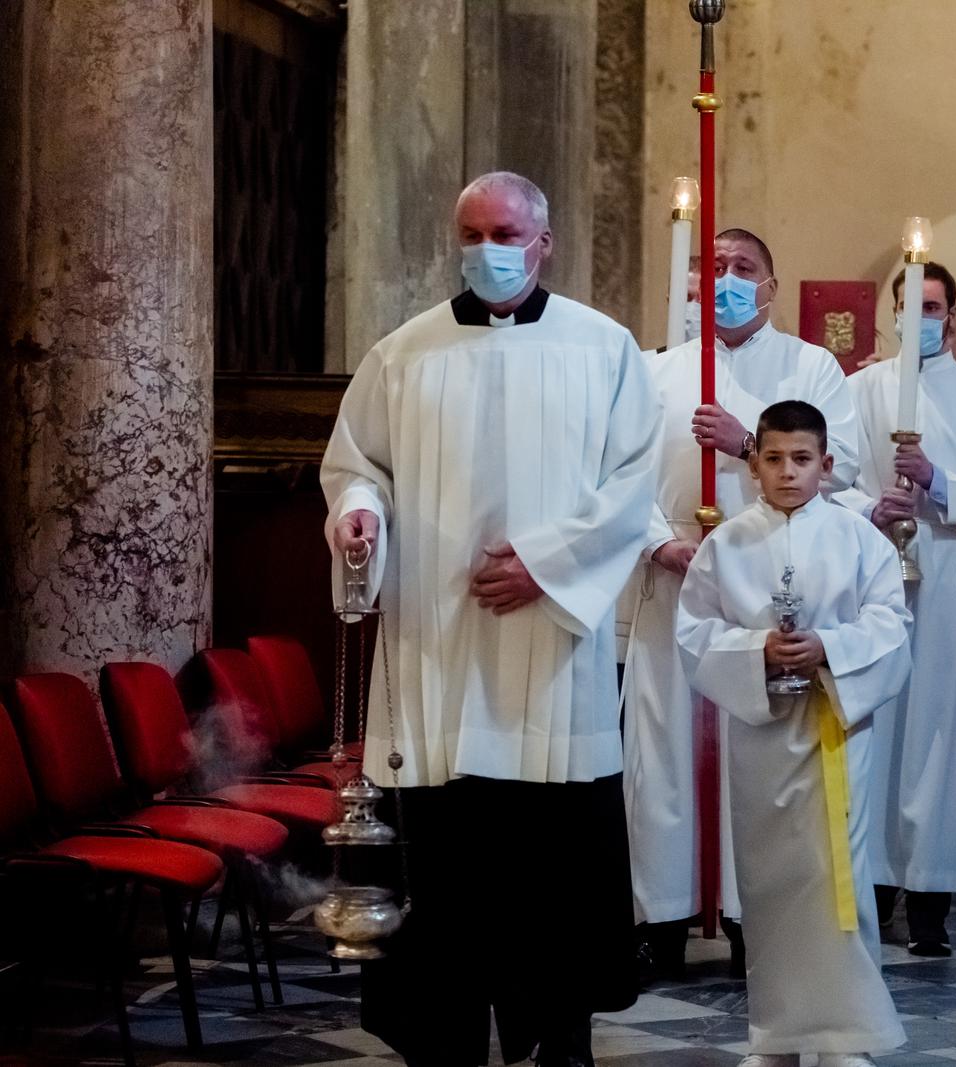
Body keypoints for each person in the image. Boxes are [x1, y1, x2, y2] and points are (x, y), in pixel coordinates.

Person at [322, 172, 661, 1067]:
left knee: (554, 869)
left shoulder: (604, 348)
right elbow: (357, 466)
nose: (487, 250)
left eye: (505, 233)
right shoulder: (404, 353)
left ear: (544, 242)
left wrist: (545, 566)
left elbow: (635, 485)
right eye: (471, 234)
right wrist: (359, 513)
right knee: (444, 871)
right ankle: (444, 1044)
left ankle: (562, 1037)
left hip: (550, 657)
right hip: (436, 654)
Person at [622, 227, 859, 977]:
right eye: (714, 266)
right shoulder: (656, 370)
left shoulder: (810, 366)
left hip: (765, 586)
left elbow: (844, 468)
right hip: (674, 579)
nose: (726, 278)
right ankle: (661, 915)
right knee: (663, 751)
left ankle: (755, 915)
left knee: (756, 751)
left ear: (771, 286)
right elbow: (618, 473)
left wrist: (747, 439)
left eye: (743, 267)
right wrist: (658, 543)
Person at [677, 400, 911, 1067]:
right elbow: (695, 632)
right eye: (774, 458)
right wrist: (758, 650)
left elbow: (891, 624)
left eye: (802, 459)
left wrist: (828, 647)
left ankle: (843, 1036)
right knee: (770, 881)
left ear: (826, 464)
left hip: (834, 726)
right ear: (753, 464)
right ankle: (777, 1036)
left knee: (835, 875)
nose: (787, 472)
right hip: (761, 735)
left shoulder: (857, 537)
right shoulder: (726, 544)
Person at [837, 261, 956, 956]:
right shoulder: (857, 392)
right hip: (871, 576)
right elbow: (825, 476)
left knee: (939, 742)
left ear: (951, 316)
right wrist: (871, 506)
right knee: (876, 735)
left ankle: (931, 903)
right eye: (909, 304)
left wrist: (938, 481)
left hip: (949, 584)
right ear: (892, 312)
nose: (919, 316)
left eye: (933, 306)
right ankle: (874, 889)